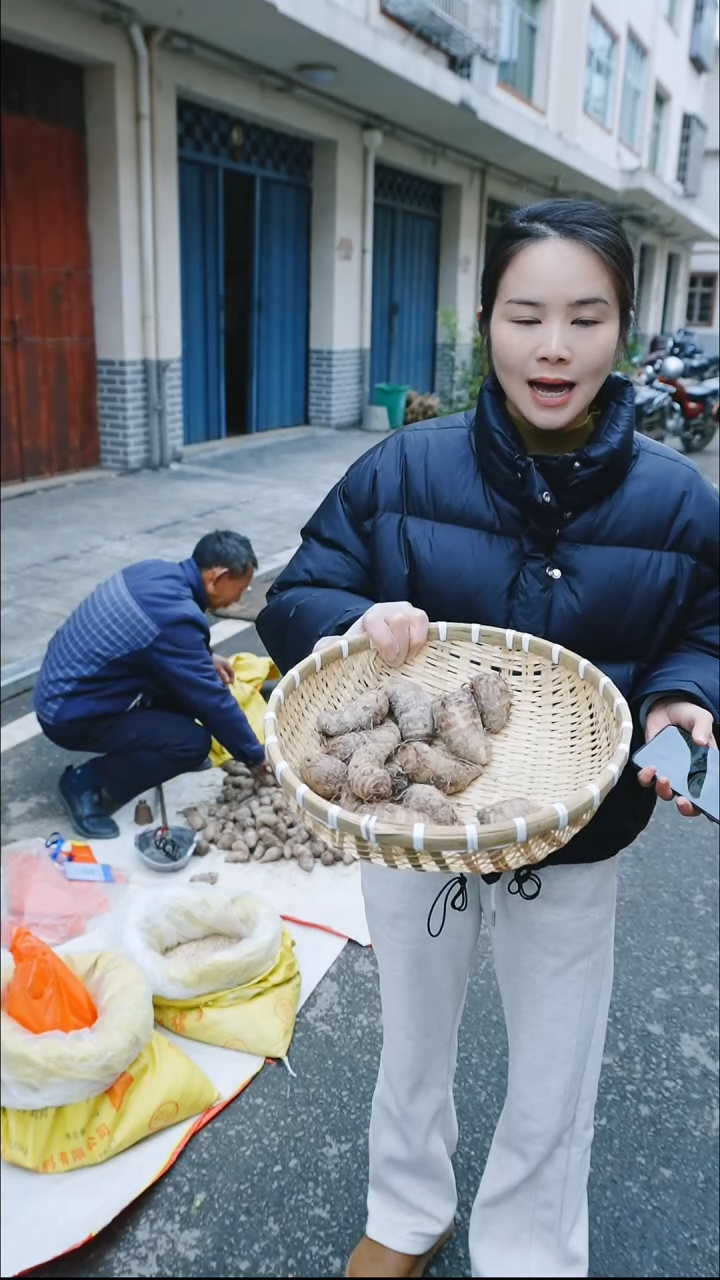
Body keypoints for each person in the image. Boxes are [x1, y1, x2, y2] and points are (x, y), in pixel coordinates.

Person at [256, 199, 719, 1279]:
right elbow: (304, 588)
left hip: (581, 823)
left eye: (586, 317)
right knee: (413, 1039)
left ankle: (530, 1249)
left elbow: (703, 625)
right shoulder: (403, 469)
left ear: (624, 331)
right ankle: (407, 1211)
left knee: (559, 1060)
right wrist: (350, 625)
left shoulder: (677, 497)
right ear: (486, 322)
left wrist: (683, 697)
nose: (554, 346)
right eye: (526, 315)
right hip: (417, 835)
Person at [35, 530, 267, 839]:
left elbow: (155, 639)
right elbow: (212, 701)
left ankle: (151, 747)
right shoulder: (174, 617)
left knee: (189, 686)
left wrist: (205, 657)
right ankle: (85, 782)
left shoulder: (154, 572)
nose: (240, 597)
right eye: (240, 588)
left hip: (66, 688)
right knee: (191, 743)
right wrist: (255, 756)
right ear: (217, 576)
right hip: (67, 713)